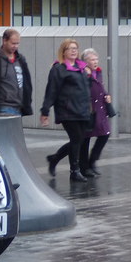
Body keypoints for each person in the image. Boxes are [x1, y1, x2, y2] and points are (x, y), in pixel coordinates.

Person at [40, 38, 92, 182]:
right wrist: (45, 111)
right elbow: (51, 91)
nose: (74, 50)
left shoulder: (82, 68)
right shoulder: (59, 69)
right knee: (76, 139)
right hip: (67, 111)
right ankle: (74, 171)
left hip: (82, 110)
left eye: (76, 48)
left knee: (79, 140)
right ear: (63, 52)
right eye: (70, 48)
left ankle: (54, 159)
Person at [0, 28, 33, 116]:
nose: (15, 46)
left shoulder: (21, 60)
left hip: (19, 107)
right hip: (3, 107)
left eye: (17, 43)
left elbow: (27, 84)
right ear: (4, 41)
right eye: (13, 43)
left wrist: (27, 101)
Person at [79, 48, 112, 177]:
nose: (95, 61)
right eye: (92, 59)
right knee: (85, 138)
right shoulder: (82, 73)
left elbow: (101, 86)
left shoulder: (98, 72)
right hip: (88, 109)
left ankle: (92, 161)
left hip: (100, 108)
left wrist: (107, 95)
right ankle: (84, 167)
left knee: (105, 134)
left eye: (96, 59)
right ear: (85, 62)